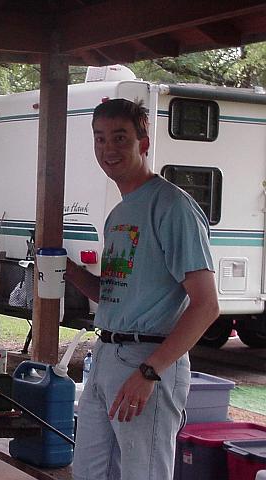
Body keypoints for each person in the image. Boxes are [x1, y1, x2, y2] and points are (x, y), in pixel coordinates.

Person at [65, 99, 219, 480]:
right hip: (104, 355)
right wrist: (65, 269)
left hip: (147, 357)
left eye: (121, 138)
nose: (109, 149)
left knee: (143, 473)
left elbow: (206, 304)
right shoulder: (119, 213)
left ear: (144, 144)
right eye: (100, 139)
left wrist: (150, 372)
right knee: (88, 472)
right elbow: (113, 292)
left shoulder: (171, 206)